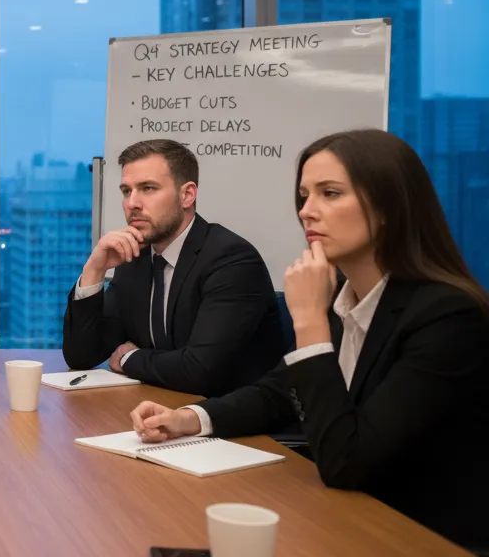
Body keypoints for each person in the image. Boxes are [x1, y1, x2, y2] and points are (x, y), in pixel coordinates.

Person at [130, 129, 489, 550]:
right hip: (345, 516)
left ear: (390, 206)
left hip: (415, 534)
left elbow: (349, 462)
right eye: (304, 195)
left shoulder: (446, 316)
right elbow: (277, 393)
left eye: (330, 194)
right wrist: (191, 418)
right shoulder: (347, 296)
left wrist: (309, 321)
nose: (306, 211)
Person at [62, 139, 283, 396]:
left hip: (234, 426)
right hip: (161, 410)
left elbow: (198, 372)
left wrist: (128, 358)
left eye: (148, 188)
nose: (132, 203)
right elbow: (81, 356)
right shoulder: (136, 258)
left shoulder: (231, 260)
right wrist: (94, 269)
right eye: (126, 191)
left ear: (187, 195)